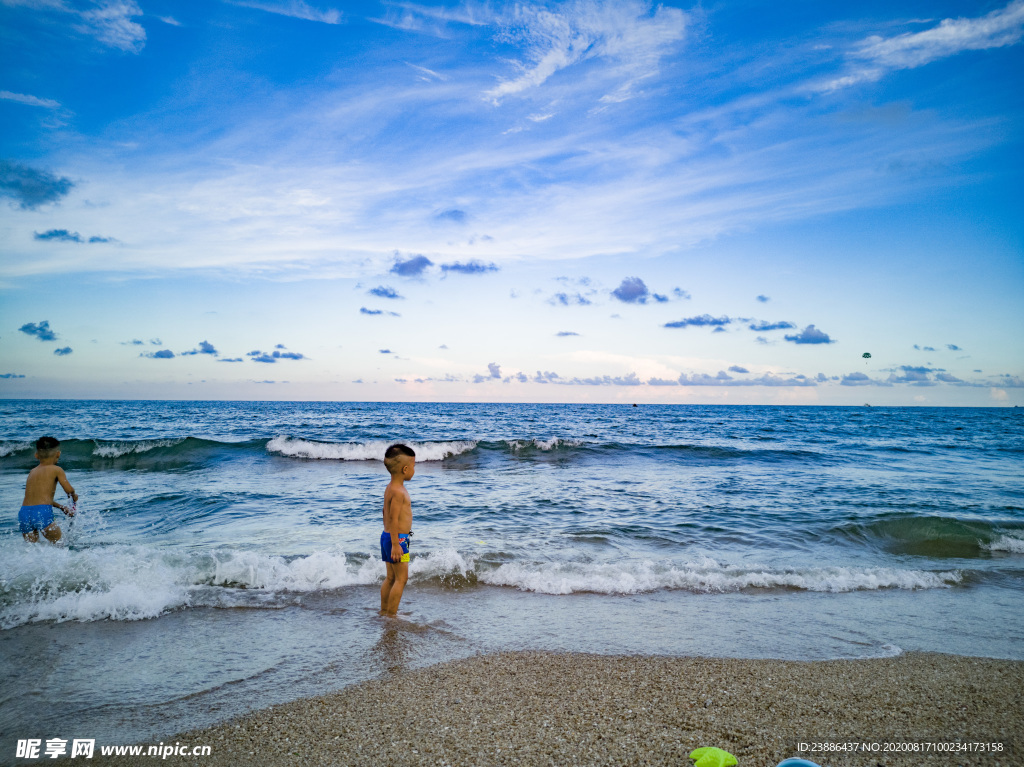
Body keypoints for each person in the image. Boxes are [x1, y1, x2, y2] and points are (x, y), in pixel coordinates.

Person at [379, 443, 415, 616]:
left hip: (387, 536)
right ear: (405, 469)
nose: (414, 470)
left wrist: (390, 540)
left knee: (390, 578)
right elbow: (393, 518)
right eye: (414, 466)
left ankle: (384, 611)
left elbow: (384, 513)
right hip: (398, 539)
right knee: (401, 579)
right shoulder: (399, 492)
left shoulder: (389, 488)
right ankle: (392, 615)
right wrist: (396, 543)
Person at [20, 436, 77, 543]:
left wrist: (61, 507)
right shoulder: (56, 469)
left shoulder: (32, 472)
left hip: (24, 513)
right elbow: (69, 490)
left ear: (36, 455)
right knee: (60, 545)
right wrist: (74, 495)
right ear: (58, 454)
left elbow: (39, 499)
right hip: (42, 513)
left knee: (32, 550)